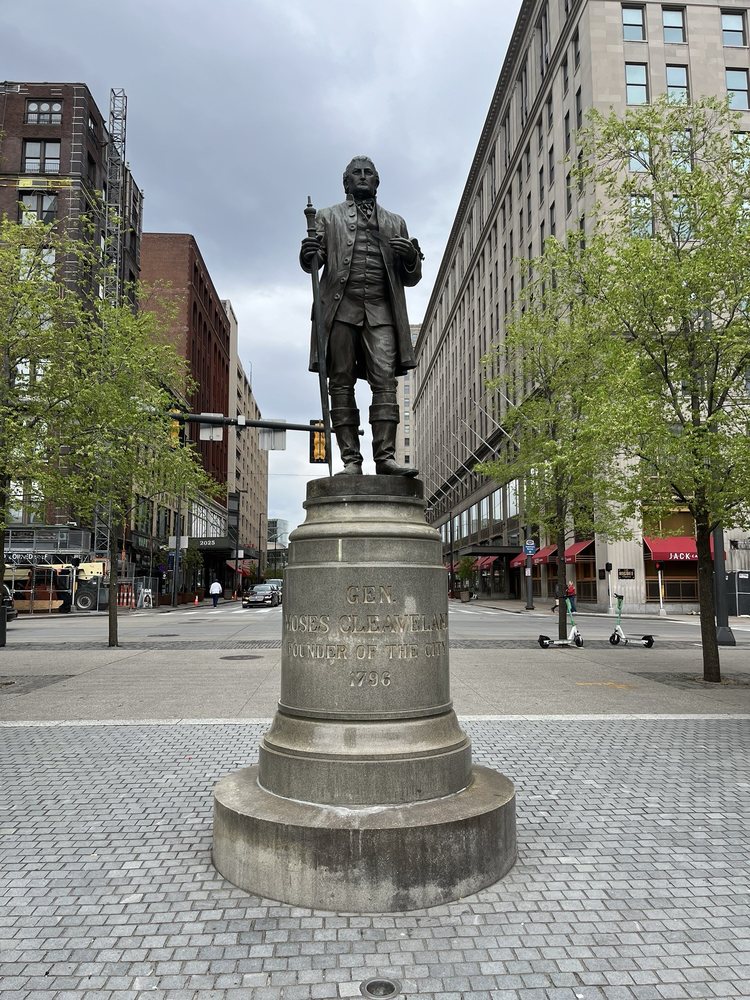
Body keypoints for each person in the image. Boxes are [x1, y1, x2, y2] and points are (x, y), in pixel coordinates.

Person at [300, 156, 423, 476]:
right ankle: (351, 461)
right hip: (341, 309)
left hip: (382, 311)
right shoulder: (326, 217)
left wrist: (411, 257)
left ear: (377, 181)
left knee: (385, 381)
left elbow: (411, 277)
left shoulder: (396, 222)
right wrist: (308, 252)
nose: (363, 177)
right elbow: (316, 258)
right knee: (340, 383)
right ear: (346, 182)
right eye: (357, 173)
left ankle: (385, 457)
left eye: (369, 173)